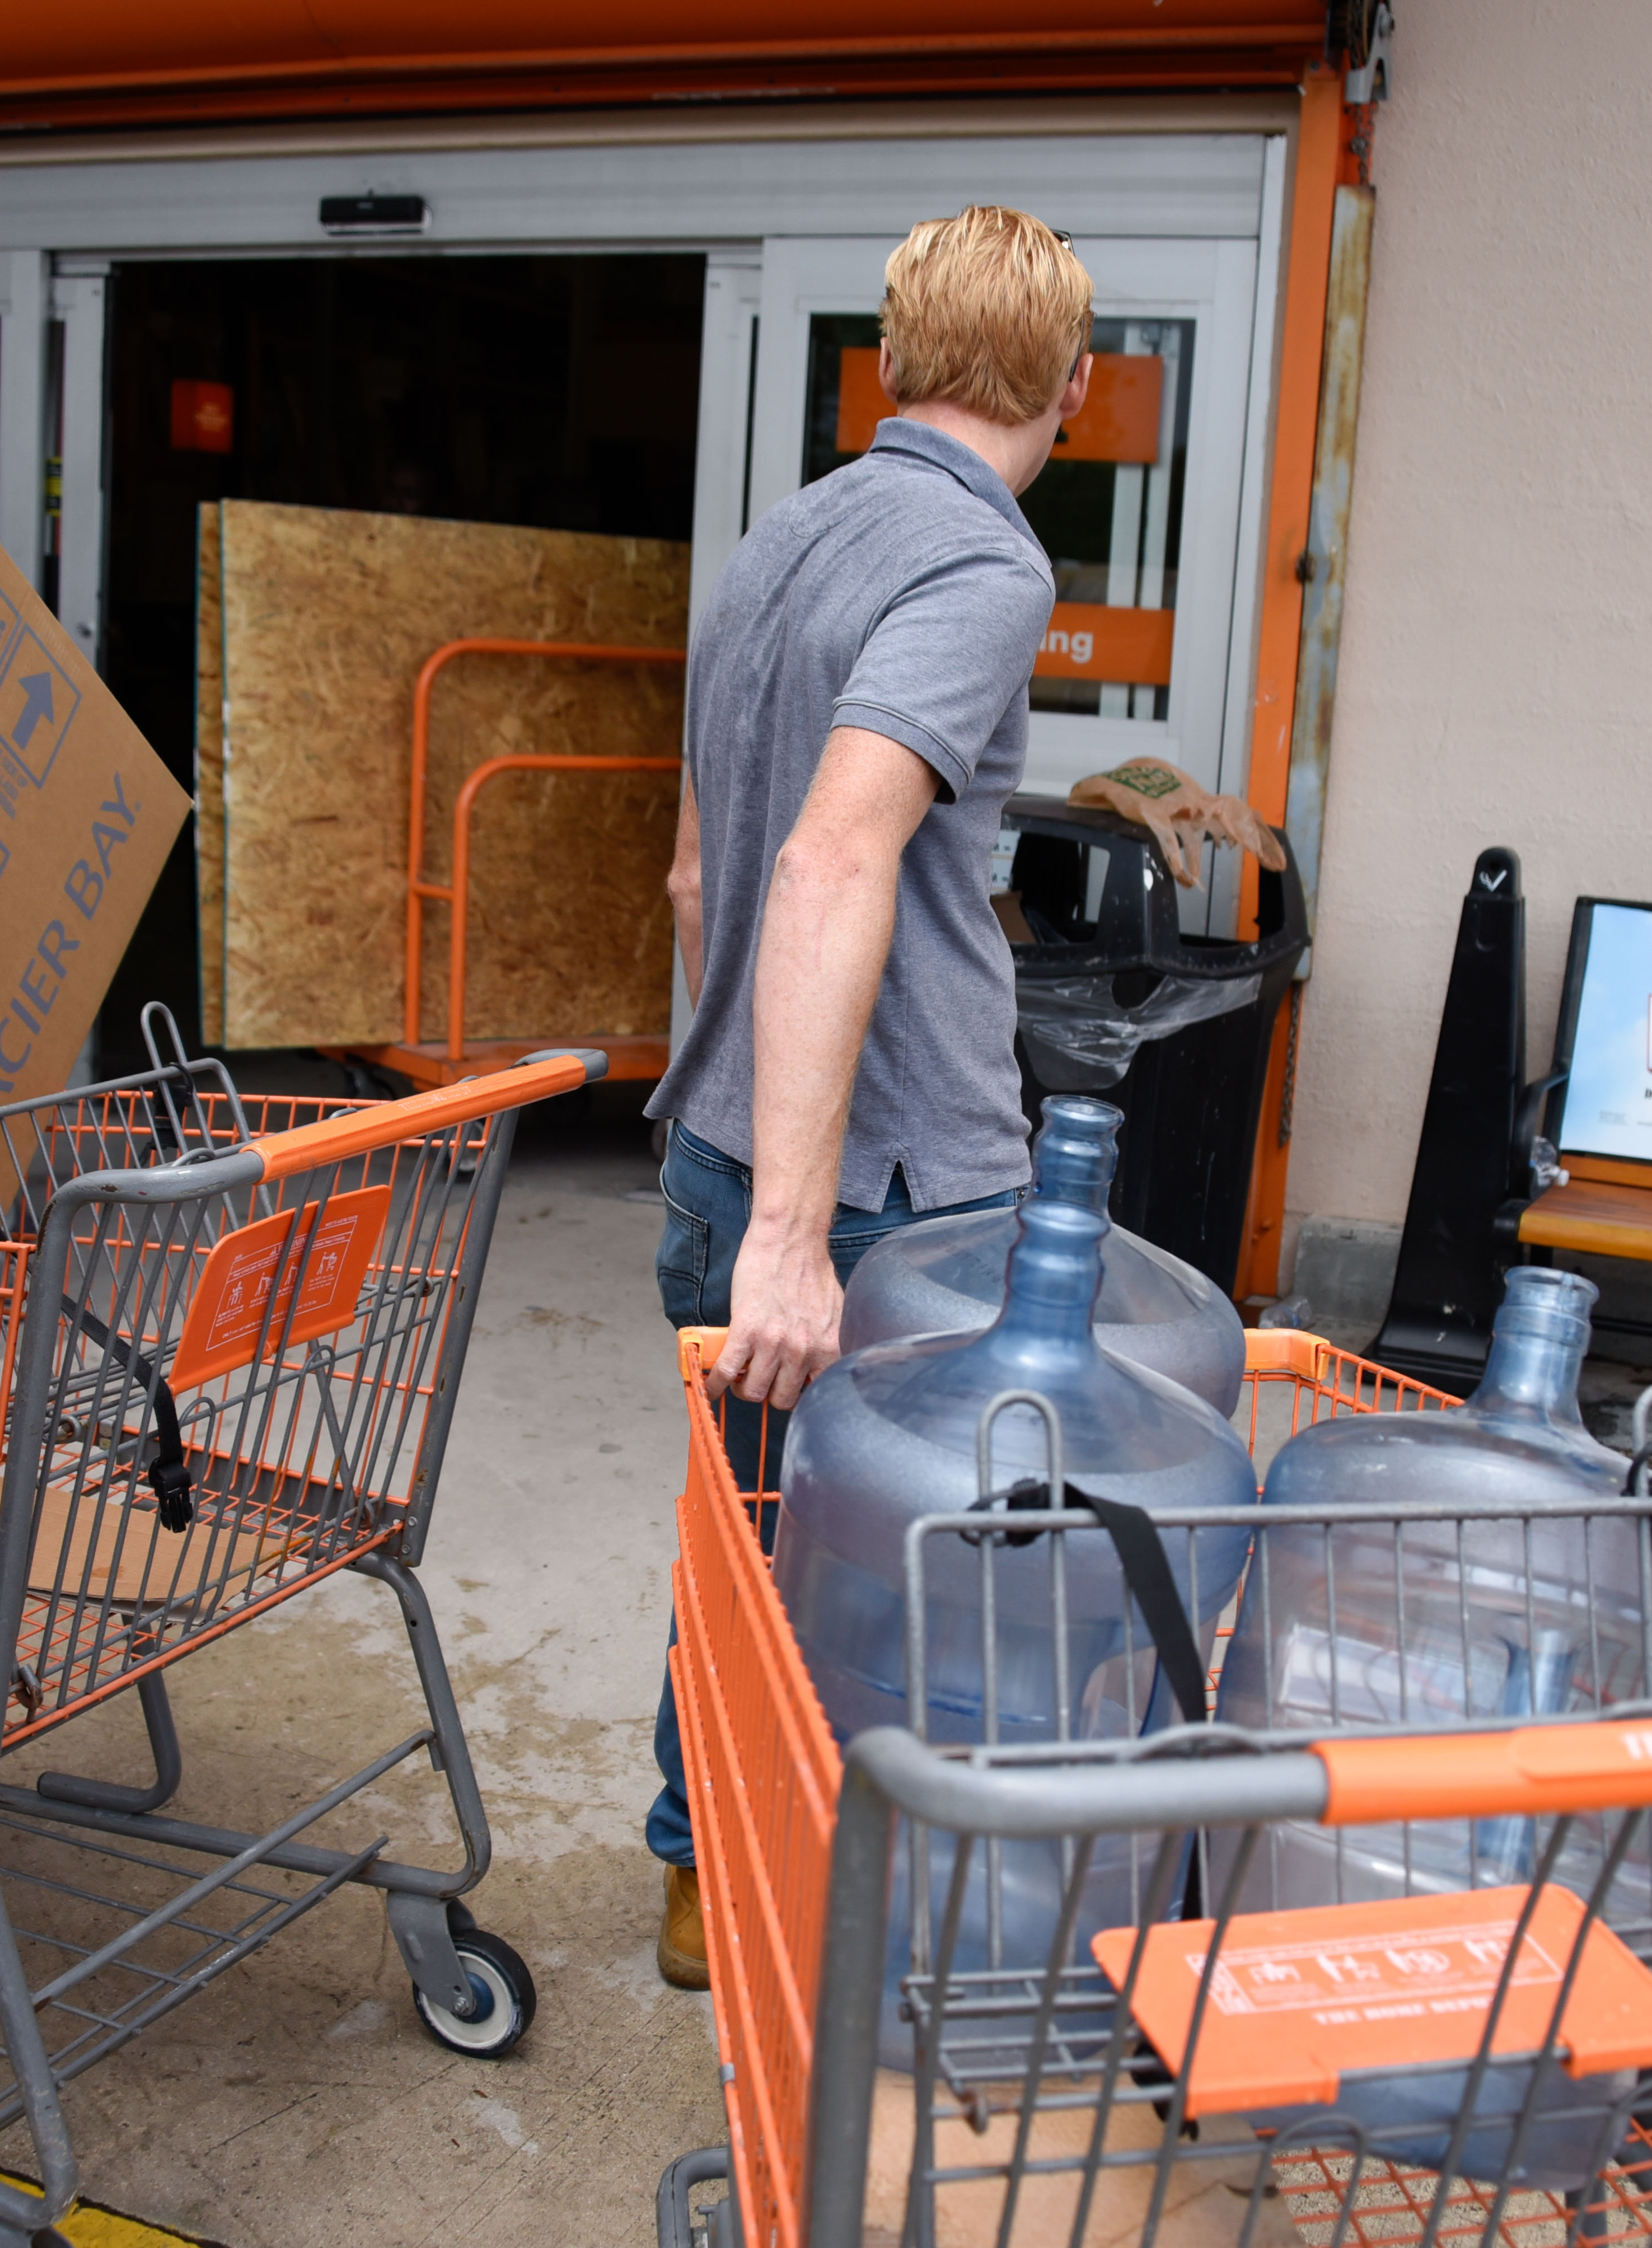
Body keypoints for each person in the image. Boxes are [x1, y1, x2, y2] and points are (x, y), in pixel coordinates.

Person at [639, 208, 1093, 1987]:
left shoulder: (781, 543)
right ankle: (859, 1921)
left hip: (727, 1137)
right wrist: (792, 1236)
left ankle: (703, 1878)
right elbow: (832, 862)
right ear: (1070, 384)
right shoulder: (988, 570)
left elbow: (698, 882)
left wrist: (742, 1134)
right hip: (889, 1185)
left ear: (893, 366)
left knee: (743, 1542)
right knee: (904, 1578)